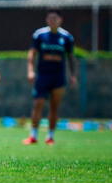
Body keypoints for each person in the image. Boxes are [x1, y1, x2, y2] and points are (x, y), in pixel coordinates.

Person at [23, 9, 76, 145]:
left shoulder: (66, 37)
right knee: (38, 104)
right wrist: (30, 70)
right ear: (47, 20)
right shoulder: (40, 35)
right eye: (50, 18)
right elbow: (32, 54)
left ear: (60, 20)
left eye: (55, 18)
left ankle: (50, 136)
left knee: (54, 107)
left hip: (58, 77)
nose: (52, 20)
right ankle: (33, 135)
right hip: (42, 76)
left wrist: (73, 75)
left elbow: (71, 57)